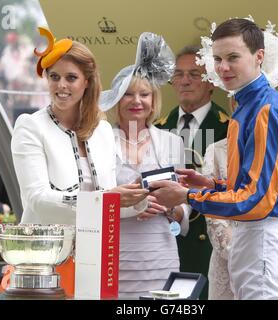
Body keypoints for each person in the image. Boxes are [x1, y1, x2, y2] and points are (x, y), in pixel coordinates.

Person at [150, 18, 278, 300]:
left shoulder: (266, 109)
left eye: (233, 57)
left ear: (259, 56)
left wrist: (188, 195)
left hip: (264, 236)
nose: (223, 67)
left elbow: (258, 200)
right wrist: (208, 184)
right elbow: (251, 185)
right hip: (253, 236)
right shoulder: (248, 107)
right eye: (218, 58)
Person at [3, 27, 148, 296]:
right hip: (43, 265)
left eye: (71, 77)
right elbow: (37, 199)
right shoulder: (30, 126)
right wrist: (107, 198)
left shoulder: (103, 130)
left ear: (87, 82)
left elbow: (109, 205)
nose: (61, 85)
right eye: (54, 77)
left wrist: (138, 198)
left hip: (99, 259)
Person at [100, 32, 190, 299]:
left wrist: (173, 209)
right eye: (127, 94)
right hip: (115, 255)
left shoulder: (172, 142)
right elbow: (92, 198)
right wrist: (128, 201)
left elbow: (185, 201)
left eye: (144, 94)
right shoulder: (99, 141)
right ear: (116, 100)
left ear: (153, 102)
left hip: (161, 254)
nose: (136, 101)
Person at [155, 45, 229, 299]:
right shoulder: (156, 129)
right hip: (164, 241)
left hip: (207, 243)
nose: (185, 80)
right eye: (178, 74)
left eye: (194, 74)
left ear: (211, 82)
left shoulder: (230, 129)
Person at [203, 138, 278, 299]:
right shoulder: (216, 150)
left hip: (276, 256)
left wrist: (261, 249)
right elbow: (213, 212)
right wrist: (239, 252)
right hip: (228, 261)